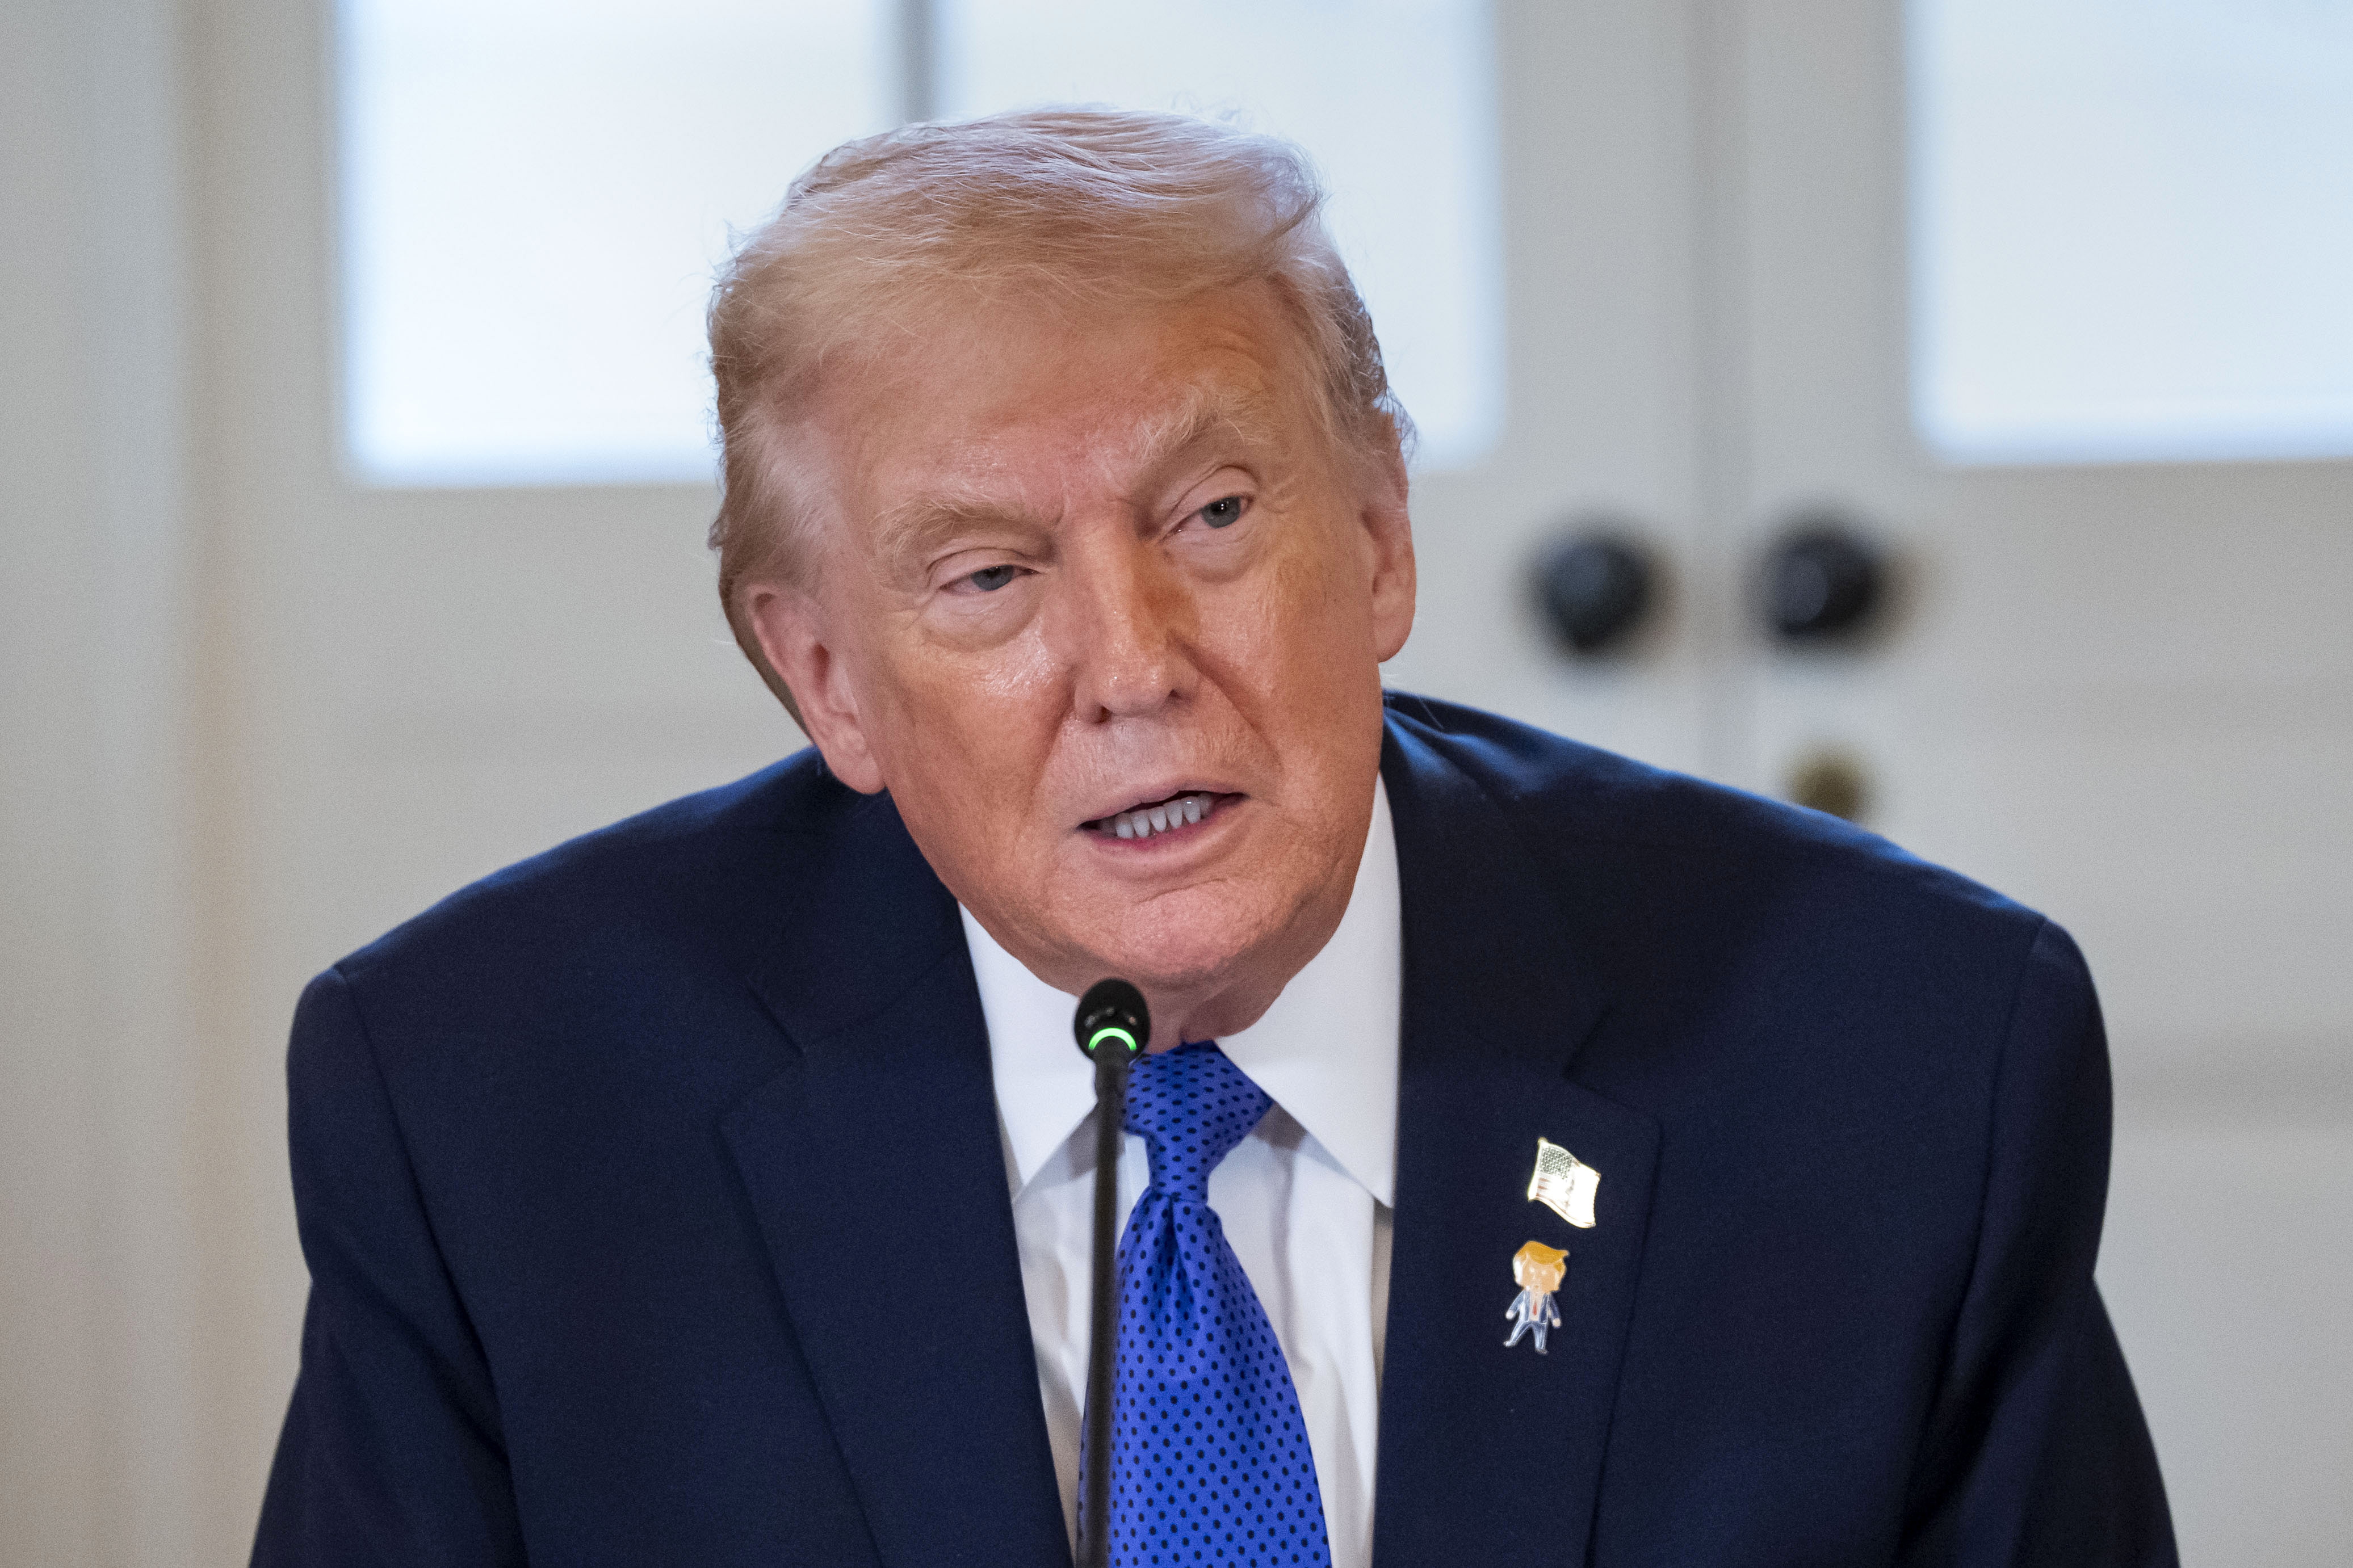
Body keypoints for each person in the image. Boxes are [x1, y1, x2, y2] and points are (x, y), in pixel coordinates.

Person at [251, 110, 2175, 1567]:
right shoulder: (493, 1113)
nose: (1133, 665)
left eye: (1214, 515)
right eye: (989, 575)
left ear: (1381, 534)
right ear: (825, 677)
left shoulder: (1899, 1054)